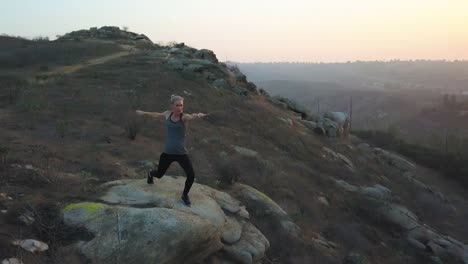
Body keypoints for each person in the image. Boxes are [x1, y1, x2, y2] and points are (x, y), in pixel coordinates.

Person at [136, 94, 207, 206]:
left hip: (181, 153)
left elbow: (191, 116)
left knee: (191, 175)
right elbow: (156, 115)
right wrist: (143, 113)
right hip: (167, 153)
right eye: (177, 105)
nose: (180, 108)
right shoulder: (167, 114)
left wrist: (198, 115)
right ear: (172, 106)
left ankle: (184, 195)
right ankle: (150, 173)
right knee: (159, 174)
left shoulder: (184, 117)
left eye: (181, 105)